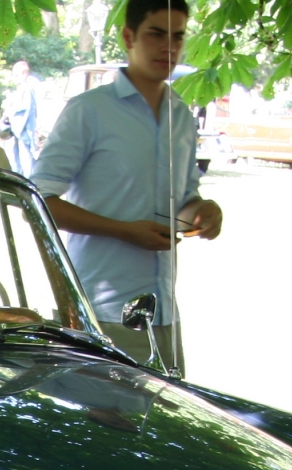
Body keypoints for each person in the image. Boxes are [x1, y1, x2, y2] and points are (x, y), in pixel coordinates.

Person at [31, 0, 222, 374]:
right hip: (101, 313)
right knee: (102, 427)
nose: (169, 46)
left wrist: (203, 211)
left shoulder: (181, 116)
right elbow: (39, 202)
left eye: (178, 36)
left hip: (163, 314)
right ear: (129, 36)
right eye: (156, 34)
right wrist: (123, 231)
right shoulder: (89, 111)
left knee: (161, 428)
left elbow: (182, 203)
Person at [2, 60, 39, 175]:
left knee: (26, 163)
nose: (14, 78)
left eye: (16, 75)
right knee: (15, 162)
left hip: (23, 131)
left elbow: (25, 109)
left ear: (24, 74)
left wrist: (9, 112)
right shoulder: (20, 90)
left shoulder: (28, 89)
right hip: (16, 131)